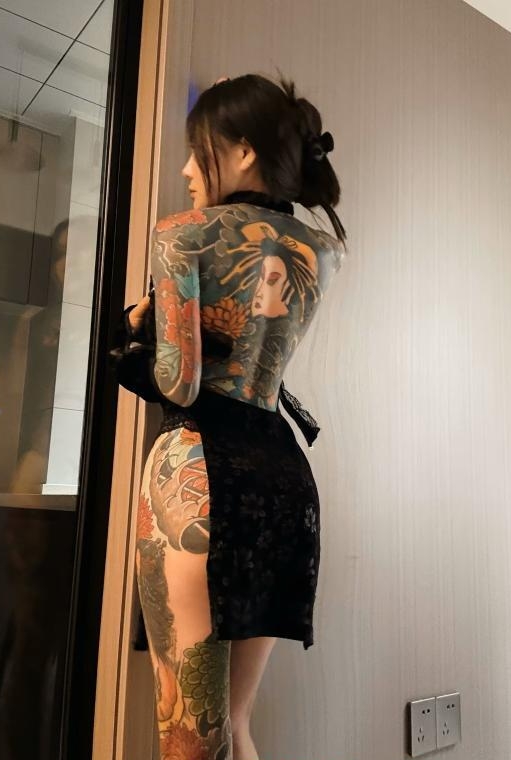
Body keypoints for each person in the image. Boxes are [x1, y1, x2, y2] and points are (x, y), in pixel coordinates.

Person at [121, 72, 348, 760]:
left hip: (198, 479)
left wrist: (134, 334)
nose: (188, 170)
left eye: (199, 151)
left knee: (191, 739)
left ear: (243, 151)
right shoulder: (323, 251)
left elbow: (180, 381)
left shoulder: (181, 235)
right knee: (236, 727)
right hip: (281, 481)